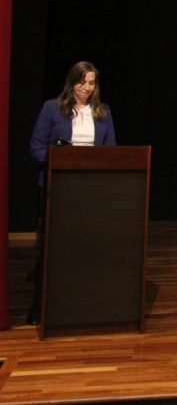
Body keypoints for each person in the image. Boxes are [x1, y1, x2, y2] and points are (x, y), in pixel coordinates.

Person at [27, 61, 118, 324]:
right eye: (82, 82)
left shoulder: (103, 112)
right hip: (58, 187)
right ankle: (41, 306)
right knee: (52, 248)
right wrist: (59, 160)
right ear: (72, 82)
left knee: (86, 246)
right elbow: (36, 147)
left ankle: (83, 302)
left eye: (91, 83)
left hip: (90, 190)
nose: (86, 88)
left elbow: (111, 150)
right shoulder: (52, 108)